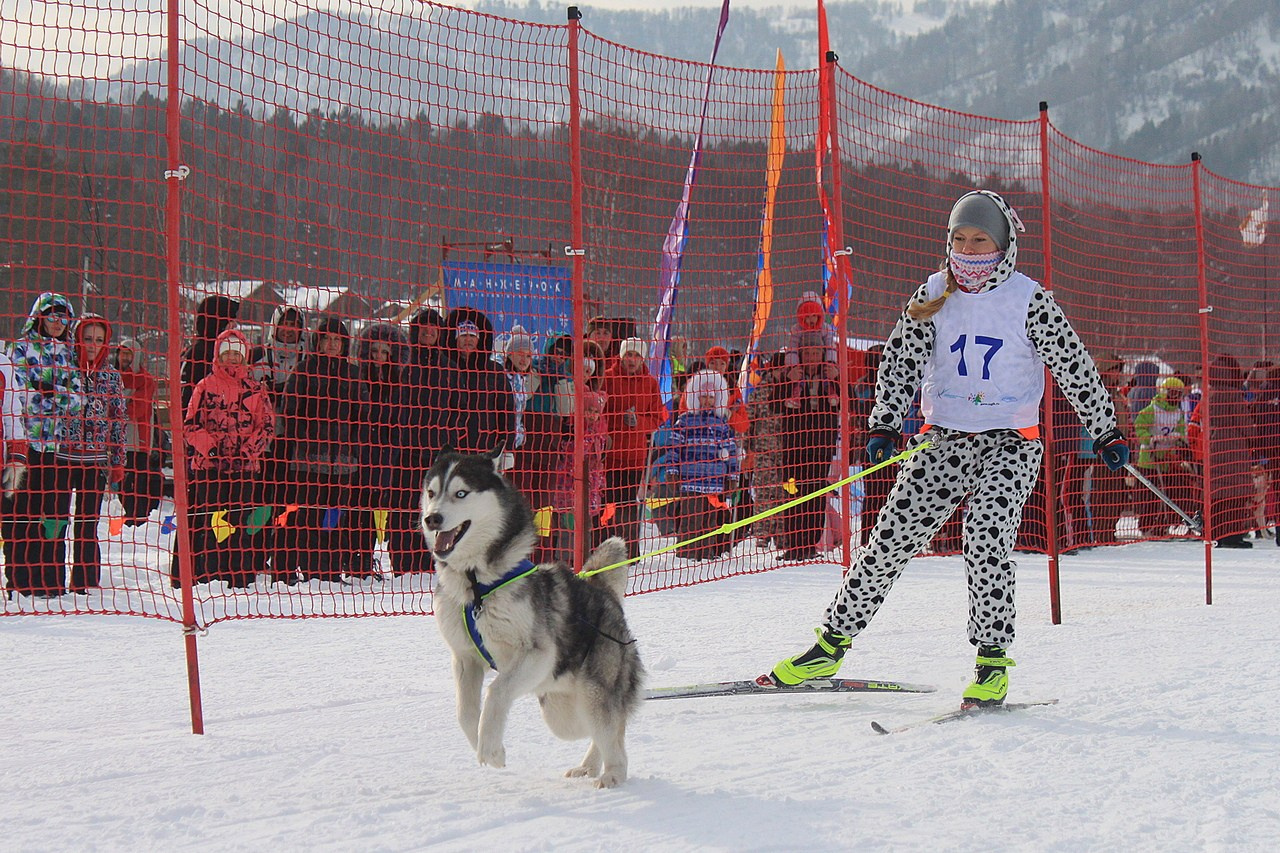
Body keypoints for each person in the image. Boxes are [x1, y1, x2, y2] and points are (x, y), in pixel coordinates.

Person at [770, 190, 1127, 708]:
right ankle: (831, 644)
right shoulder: (935, 291)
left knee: (986, 534)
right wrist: (885, 424)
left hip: (1011, 442)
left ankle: (992, 661)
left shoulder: (1030, 299)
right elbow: (899, 361)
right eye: (959, 239)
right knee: (889, 538)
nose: (968, 249)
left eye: (980, 239)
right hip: (945, 440)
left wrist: (1106, 430)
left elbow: (1075, 367)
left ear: (1002, 244)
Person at [178, 328, 275, 588]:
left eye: (237, 353)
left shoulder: (255, 389)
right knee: (209, 521)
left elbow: (265, 426)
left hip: (244, 469)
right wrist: (211, 450)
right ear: (218, 356)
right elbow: (190, 425)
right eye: (227, 353)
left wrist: (247, 453)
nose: (232, 358)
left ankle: (239, 576)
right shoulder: (204, 386)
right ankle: (208, 574)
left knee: (239, 522)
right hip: (209, 467)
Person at [6, 293, 82, 598]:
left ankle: (50, 581)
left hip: (57, 446)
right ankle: (20, 579)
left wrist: (50, 391)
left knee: (53, 515)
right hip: (26, 445)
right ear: (40, 317)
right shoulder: (21, 349)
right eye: (52, 317)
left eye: (64, 318)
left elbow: (76, 400)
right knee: (23, 512)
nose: (57, 324)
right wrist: (50, 394)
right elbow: (20, 394)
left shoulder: (68, 353)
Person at [278, 317, 361, 582]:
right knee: (309, 515)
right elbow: (289, 410)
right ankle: (312, 571)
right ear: (318, 341)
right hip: (308, 458)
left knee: (336, 517)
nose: (332, 344)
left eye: (338, 339)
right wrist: (304, 438)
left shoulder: (353, 373)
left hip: (343, 459)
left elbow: (364, 414)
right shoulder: (304, 370)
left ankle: (332, 570)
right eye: (327, 339)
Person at [57, 314, 127, 594]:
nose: (93, 345)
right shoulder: (64, 371)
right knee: (57, 520)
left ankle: (84, 580)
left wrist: (118, 461)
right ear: (77, 339)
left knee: (88, 522)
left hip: (95, 460)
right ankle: (52, 578)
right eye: (88, 339)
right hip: (62, 457)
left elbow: (118, 421)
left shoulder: (111, 377)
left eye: (99, 340)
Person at [654, 368, 740, 560]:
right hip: (690, 481)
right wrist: (672, 471)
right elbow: (674, 448)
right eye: (703, 397)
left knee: (709, 521)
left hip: (714, 483)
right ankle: (687, 553)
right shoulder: (684, 422)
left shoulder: (722, 424)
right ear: (695, 397)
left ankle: (706, 552)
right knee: (691, 519)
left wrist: (732, 477)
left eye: (711, 397)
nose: (707, 401)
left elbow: (731, 451)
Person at [601, 337, 668, 558]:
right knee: (607, 504)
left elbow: (658, 417)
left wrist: (639, 421)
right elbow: (597, 410)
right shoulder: (607, 377)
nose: (632, 360)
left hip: (634, 455)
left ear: (642, 359)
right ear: (621, 356)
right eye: (628, 355)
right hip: (608, 455)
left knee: (629, 505)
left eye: (636, 356)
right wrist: (611, 426)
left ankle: (629, 551)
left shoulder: (650, 383)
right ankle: (605, 550)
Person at [1188, 357, 1258, 548]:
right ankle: (1233, 535)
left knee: (1217, 494)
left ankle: (1215, 533)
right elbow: (1243, 423)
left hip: (1213, 445)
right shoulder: (1234, 395)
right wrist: (1254, 438)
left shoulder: (1208, 395)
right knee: (1235, 496)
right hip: (1235, 450)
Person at [1132, 376, 1196, 538]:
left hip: (1168, 459)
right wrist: (1149, 438)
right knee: (1149, 496)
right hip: (1149, 460)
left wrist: (1179, 438)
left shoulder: (1177, 413)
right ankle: (1147, 526)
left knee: (1168, 493)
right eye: (1172, 393)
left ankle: (1163, 525)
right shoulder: (1151, 410)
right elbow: (1139, 427)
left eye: (1178, 394)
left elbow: (1182, 430)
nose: (1175, 398)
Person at [114, 337, 162, 526]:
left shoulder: (145, 379)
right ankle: (129, 510)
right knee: (120, 476)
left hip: (139, 438)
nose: (124, 358)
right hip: (118, 438)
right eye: (122, 353)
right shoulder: (112, 375)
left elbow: (137, 408)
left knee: (140, 476)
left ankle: (140, 514)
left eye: (128, 354)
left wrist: (118, 410)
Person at [1, 348, 30, 593]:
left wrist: (17, 457)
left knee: (8, 526)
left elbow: (12, 412)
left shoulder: (3, 364)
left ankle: (13, 584)